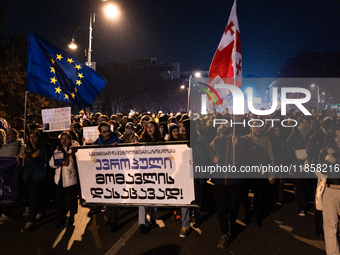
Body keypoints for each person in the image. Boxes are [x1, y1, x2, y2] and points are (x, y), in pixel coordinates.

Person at [209, 125, 242, 249]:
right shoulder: (216, 141)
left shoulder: (240, 139)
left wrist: (237, 145)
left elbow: (245, 156)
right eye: (222, 124)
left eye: (227, 124)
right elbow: (210, 149)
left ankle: (232, 224)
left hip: (234, 181)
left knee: (234, 207)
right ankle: (224, 234)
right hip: (220, 181)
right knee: (221, 209)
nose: (224, 126)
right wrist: (213, 158)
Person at [49, 132, 79, 228]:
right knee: (60, 200)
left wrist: (69, 162)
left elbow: (77, 166)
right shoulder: (58, 149)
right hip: (59, 179)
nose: (64, 140)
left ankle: (72, 217)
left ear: (70, 140)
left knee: (72, 199)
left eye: (66, 138)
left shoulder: (74, 150)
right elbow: (51, 163)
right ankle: (61, 218)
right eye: (62, 138)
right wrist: (59, 163)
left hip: (71, 178)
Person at [138, 120, 163, 233]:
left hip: (157, 173)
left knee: (155, 198)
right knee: (143, 198)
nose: (149, 128)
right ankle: (142, 223)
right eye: (147, 126)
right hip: (145, 173)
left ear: (155, 128)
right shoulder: (142, 140)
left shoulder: (161, 141)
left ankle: (153, 218)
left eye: (151, 126)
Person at [318, 126, 340, 255]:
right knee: (331, 225)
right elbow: (321, 172)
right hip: (330, 190)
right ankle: (333, 252)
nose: (339, 139)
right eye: (336, 136)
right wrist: (329, 159)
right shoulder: (326, 151)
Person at [22, 130, 47, 231]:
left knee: (33, 198)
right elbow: (24, 164)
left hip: (38, 176)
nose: (32, 139)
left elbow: (40, 165)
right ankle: (41, 211)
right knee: (35, 196)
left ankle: (31, 221)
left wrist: (30, 159)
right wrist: (25, 158)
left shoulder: (42, 149)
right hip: (28, 176)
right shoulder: (27, 149)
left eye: (34, 137)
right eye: (30, 137)